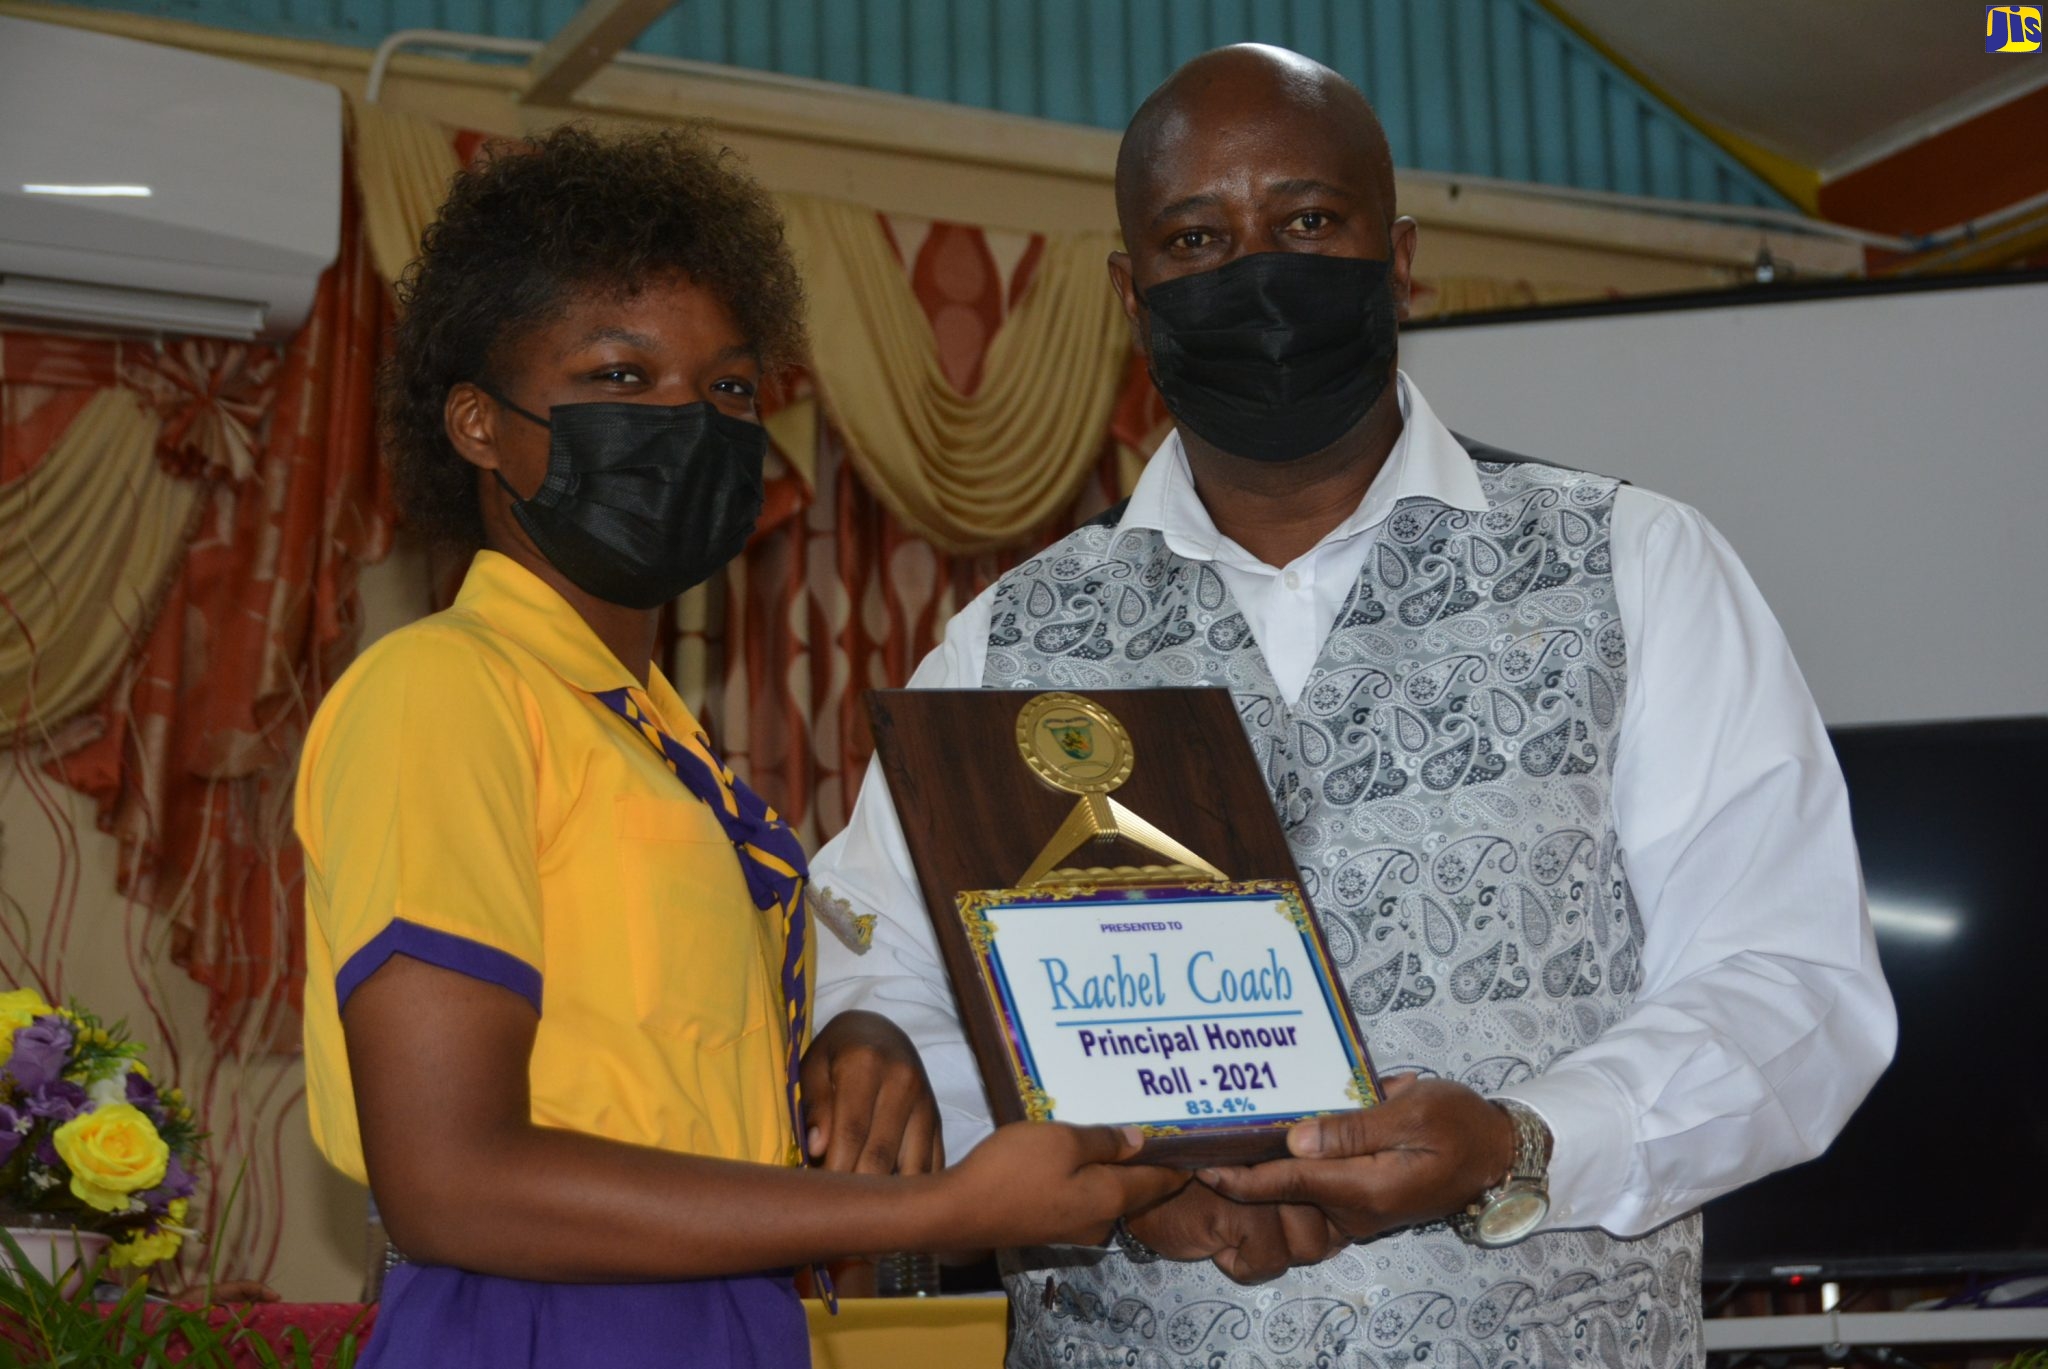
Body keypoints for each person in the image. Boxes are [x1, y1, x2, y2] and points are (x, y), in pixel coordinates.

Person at [809, 45, 1895, 1368]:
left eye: (1308, 222)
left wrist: (1519, 1143)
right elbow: (893, 983)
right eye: (1196, 235)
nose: (1255, 267)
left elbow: (1792, 988)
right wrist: (982, 1103)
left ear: (1401, 255)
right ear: (1130, 291)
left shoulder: (1634, 566)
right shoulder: (1009, 642)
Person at [296, 125, 1185, 1369]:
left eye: (724, 390)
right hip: (540, 1324)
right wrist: (935, 1209)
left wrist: (853, 1050)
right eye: (618, 377)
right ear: (478, 425)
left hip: (722, 1313)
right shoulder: (443, 692)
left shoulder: (660, 743)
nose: (684, 421)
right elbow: (454, 1177)